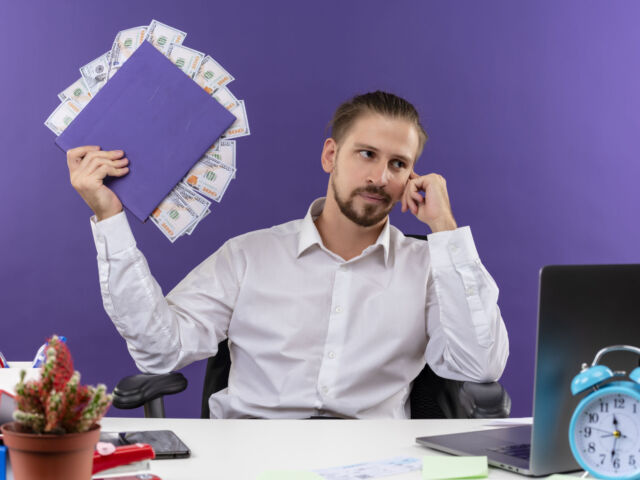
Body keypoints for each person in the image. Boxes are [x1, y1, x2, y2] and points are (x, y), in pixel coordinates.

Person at [67, 91, 509, 419]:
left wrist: (445, 230)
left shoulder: (429, 267)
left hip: (375, 463)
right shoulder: (248, 256)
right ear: (330, 155)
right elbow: (159, 352)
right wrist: (109, 218)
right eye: (366, 154)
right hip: (250, 459)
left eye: (398, 164)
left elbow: (478, 364)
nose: (379, 176)